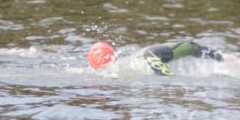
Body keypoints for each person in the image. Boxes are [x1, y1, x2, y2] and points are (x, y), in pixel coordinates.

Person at [87, 40, 223, 76]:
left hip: (149, 61)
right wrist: (221, 57)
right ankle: (225, 59)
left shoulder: (117, 69)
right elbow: (190, 46)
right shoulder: (132, 59)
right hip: (150, 56)